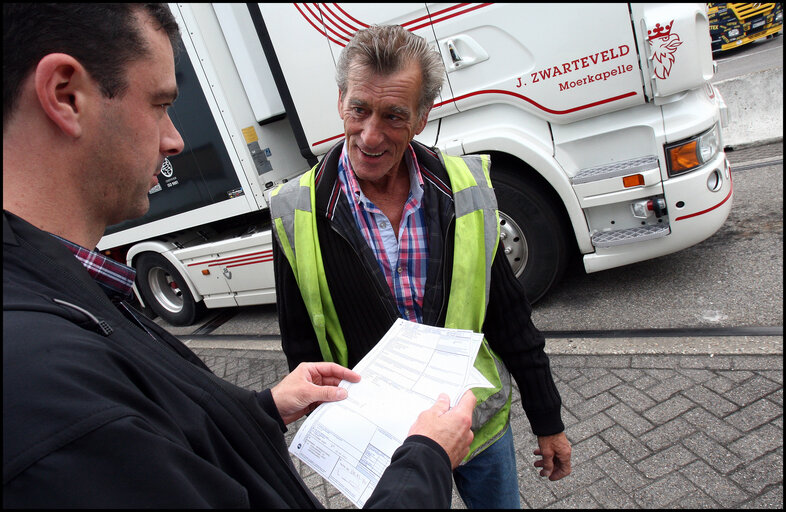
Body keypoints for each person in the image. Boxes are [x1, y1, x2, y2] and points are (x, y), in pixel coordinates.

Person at [2, 4, 477, 508]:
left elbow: (170, 438)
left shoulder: (63, 298)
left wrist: (263, 409)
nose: (175, 139)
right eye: (160, 104)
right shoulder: (44, 384)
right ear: (65, 95)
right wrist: (425, 456)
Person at [270, 24, 572, 508]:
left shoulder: (466, 188)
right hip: (381, 442)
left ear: (421, 118)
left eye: (393, 115)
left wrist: (548, 420)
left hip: (474, 425)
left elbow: (510, 319)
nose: (370, 135)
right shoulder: (294, 208)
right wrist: (332, 432)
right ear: (341, 100)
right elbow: (300, 341)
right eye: (359, 110)